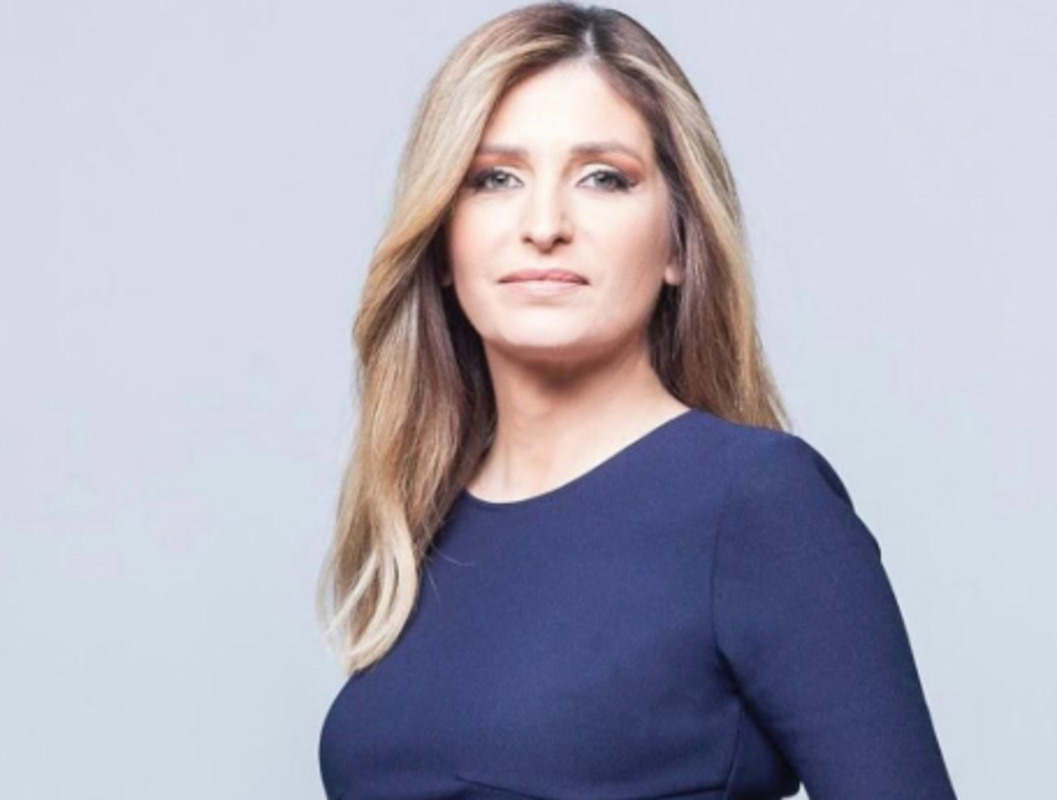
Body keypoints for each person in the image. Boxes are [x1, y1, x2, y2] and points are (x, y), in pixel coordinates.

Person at [316, 3, 958, 798]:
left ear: (678, 243)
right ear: (444, 241)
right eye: (494, 178)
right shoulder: (421, 521)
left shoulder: (757, 503)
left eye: (602, 178)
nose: (543, 224)